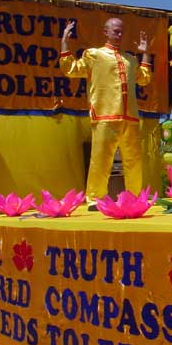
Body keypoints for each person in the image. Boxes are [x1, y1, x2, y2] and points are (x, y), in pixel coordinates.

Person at [59, 18, 151, 205]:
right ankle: (95, 199)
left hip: (130, 118)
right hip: (105, 115)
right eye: (115, 31)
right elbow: (71, 69)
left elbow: (144, 78)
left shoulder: (130, 59)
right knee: (100, 160)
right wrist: (64, 43)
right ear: (105, 32)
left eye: (121, 31)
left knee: (134, 161)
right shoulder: (94, 55)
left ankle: (134, 198)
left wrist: (146, 54)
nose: (119, 34)